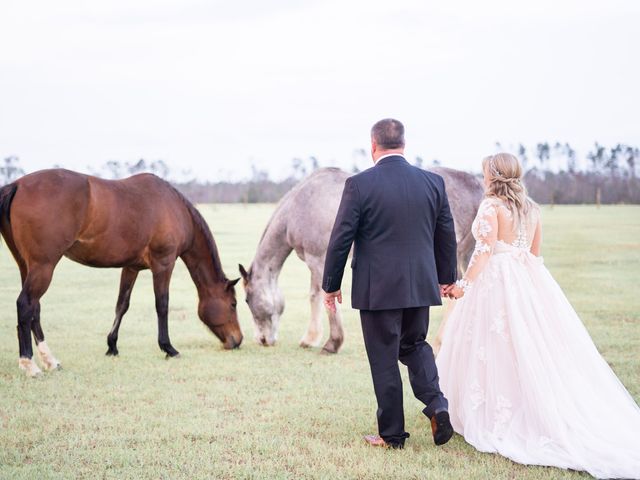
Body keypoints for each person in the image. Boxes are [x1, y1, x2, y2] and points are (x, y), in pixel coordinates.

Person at [438, 153, 640, 479]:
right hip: (525, 280)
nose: (483, 178)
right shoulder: (531, 208)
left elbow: (484, 250)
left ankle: (495, 413)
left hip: (495, 281)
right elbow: (533, 254)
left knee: (492, 345)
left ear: (493, 176)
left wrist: (463, 285)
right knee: (526, 344)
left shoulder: (492, 206)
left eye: (485, 173)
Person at [322, 118, 458, 449]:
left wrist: (331, 284)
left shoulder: (359, 184)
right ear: (404, 145)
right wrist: (445, 278)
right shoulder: (432, 183)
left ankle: (392, 435)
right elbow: (446, 234)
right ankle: (437, 403)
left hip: (377, 288)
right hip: (420, 285)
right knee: (415, 345)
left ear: (373, 146)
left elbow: (341, 237)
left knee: (384, 357)